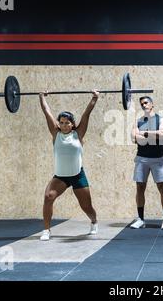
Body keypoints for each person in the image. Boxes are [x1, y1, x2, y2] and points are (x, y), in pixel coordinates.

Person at [38, 90, 99, 241]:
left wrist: (94, 98)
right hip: (60, 177)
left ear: (72, 124)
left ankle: (94, 221)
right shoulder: (55, 133)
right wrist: (41, 97)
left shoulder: (78, 134)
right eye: (62, 122)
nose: (64, 125)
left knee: (86, 207)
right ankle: (46, 230)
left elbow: (86, 114)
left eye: (67, 122)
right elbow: (47, 112)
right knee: (48, 196)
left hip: (78, 175)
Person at [130, 96, 163, 230]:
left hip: (158, 159)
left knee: (162, 188)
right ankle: (141, 219)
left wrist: (146, 133)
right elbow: (134, 138)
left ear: (152, 104)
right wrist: (153, 134)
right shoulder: (138, 121)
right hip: (142, 158)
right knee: (140, 188)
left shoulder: (162, 119)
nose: (144, 105)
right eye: (142, 104)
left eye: (146, 103)